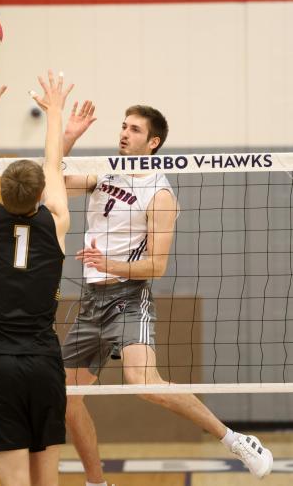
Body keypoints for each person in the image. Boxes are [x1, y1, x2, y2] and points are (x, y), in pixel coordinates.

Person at [61, 102, 274, 484]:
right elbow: (51, 182)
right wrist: (68, 138)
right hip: (91, 300)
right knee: (65, 397)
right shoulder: (103, 172)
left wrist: (108, 263)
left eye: (135, 130)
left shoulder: (160, 194)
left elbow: (156, 267)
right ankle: (97, 482)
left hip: (128, 297)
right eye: (124, 126)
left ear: (153, 141)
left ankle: (236, 440)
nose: (124, 134)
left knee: (143, 382)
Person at [0, 69, 72, 486]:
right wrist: (55, 111)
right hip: (46, 366)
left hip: (1, 370)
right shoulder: (57, 221)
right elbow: (53, 164)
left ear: (1, 193)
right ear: (41, 194)